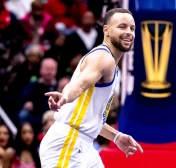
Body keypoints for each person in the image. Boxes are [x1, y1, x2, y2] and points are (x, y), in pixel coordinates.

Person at [39, 8, 143, 168]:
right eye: (122, 27)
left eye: (132, 28)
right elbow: (78, 86)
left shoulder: (112, 65)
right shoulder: (103, 58)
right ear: (106, 30)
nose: (129, 32)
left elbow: (90, 118)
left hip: (84, 145)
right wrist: (65, 97)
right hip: (68, 143)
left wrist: (116, 136)